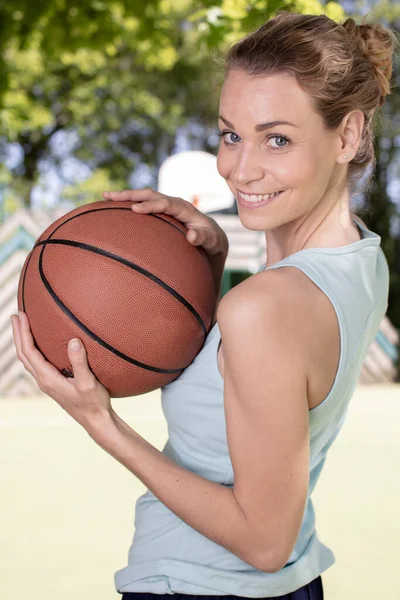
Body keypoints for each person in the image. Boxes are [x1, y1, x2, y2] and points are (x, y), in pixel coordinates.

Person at [10, 9, 398, 600]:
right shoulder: (362, 259)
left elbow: (264, 539)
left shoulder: (264, 308)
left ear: (346, 136)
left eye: (278, 139)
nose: (240, 169)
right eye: (229, 134)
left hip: (204, 586)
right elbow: (275, 360)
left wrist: (100, 422)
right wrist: (210, 263)